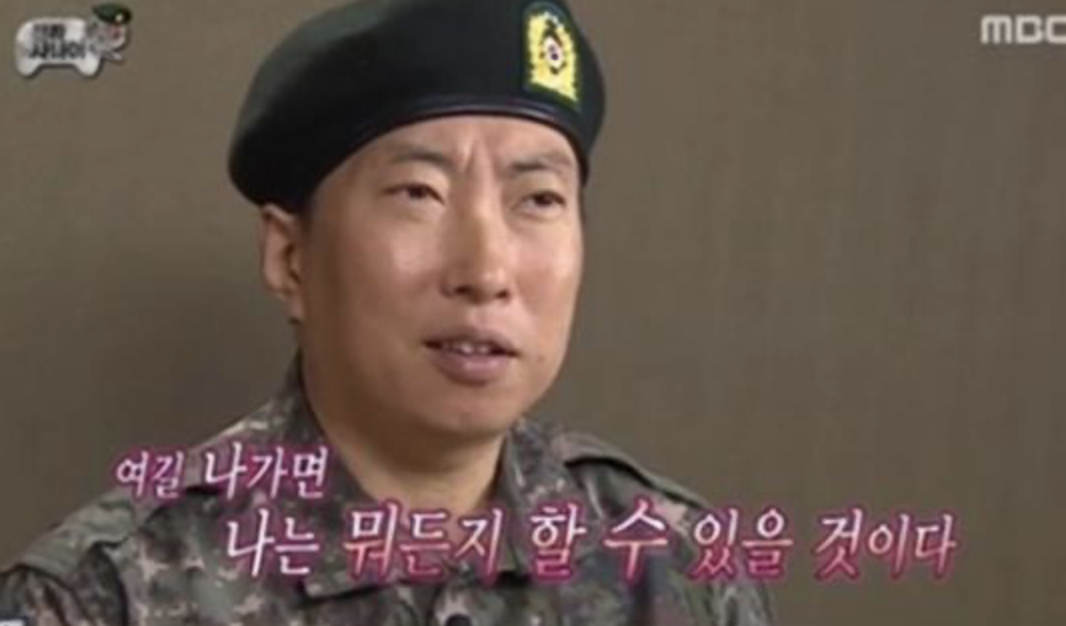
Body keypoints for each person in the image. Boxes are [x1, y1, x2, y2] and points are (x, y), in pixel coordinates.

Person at [0, 0, 775, 624]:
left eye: (538, 199)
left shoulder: (677, 567)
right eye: (419, 193)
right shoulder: (101, 597)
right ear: (289, 257)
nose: (487, 272)